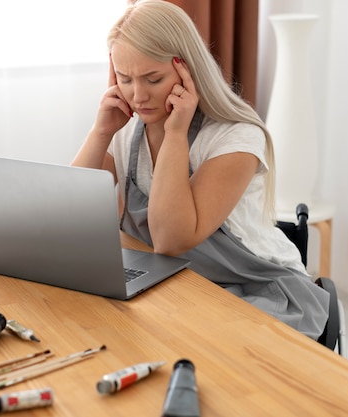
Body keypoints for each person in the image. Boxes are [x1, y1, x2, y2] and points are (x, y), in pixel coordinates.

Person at [72, 0, 329, 339]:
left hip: (259, 287)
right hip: (180, 281)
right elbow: (71, 213)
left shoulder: (235, 137)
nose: (138, 96)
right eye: (125, 78)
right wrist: (100, 132)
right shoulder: (125, 129)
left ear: (186, 70)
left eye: (153, 78)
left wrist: (176, 134)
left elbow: (170, 239)